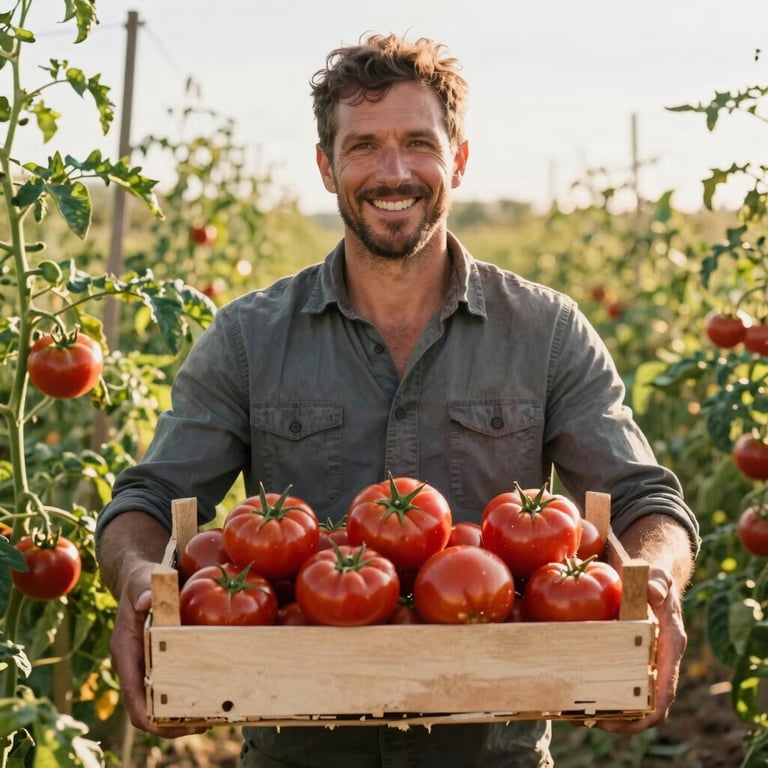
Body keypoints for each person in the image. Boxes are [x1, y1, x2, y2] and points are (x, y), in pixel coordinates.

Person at [96, 32, 699, 768]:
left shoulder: (544, 331)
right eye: (363, 147)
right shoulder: (249, 338)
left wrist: (657, 580)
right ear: (326, 166)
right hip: (297, 749)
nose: (394, 172)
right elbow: (150, 496)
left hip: (492, 750)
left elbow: (643, 500)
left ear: (460, 161)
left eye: (419, 142)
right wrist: (134, 580)